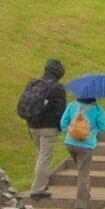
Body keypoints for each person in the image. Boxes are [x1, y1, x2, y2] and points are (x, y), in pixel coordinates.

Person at [18, 58, 71, 195]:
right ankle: (38, 188)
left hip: (32, 125)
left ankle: (41, 182)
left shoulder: (34, 83)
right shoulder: (58, 88)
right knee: (45, 157)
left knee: (40, 155)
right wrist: (61, 127)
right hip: (49, 128)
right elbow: (60, 110)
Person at [63, 89, 105, 209]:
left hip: (70, 143)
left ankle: (86, 194)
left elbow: (63, 123)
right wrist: (94, 132)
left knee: (81, 169)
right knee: (83, 174)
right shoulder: (98, 109)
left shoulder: (72, 105)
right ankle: (81, 204)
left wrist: (71, 132)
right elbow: (104, 127)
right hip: (86, 146)